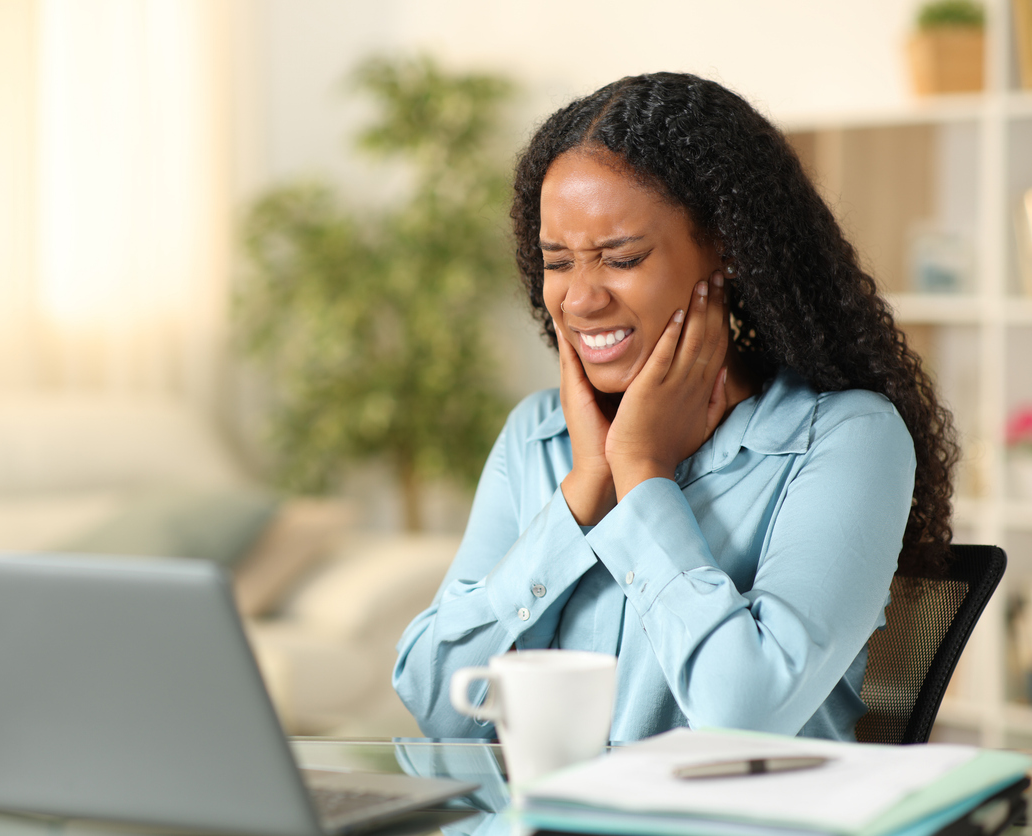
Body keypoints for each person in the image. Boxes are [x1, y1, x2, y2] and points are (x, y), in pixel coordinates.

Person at [392, 72, 958, 743]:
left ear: (726, 248)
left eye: (621, 257)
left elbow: (743, 715)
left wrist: (641, 474)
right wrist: (583, 490)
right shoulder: (537, 439)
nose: (580, 299)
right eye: (558, 262)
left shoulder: (845, 439)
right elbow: (436, 706)